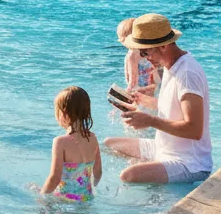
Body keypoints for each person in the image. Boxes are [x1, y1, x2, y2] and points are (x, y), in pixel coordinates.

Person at [104, 13, 212, 184]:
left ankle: (157, 181)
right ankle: (155, 173)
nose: (146, 58)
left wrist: (150, 121)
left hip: (189, 163)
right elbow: (172, 108)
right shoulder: (170, 66)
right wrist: (141, 100)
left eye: (145, 52)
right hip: (163, 149)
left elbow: (194, 130)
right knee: (109, 145)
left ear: (162, 46)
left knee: (128, 175)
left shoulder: (187, 74)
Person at [42, 86, 102, 202]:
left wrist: (41, 196)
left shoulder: (60, 142)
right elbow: (98, 172)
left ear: (64, 114)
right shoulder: (93, 138)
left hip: (65, 200)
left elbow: (55, 178)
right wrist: (91, 188)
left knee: (34, 189)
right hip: (86, 198)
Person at [117, 17, 156, 93]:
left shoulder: (132, 55)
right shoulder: (148, 50)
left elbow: (132, 80)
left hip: (139, 88)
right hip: (151, 86)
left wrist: (128, 91)